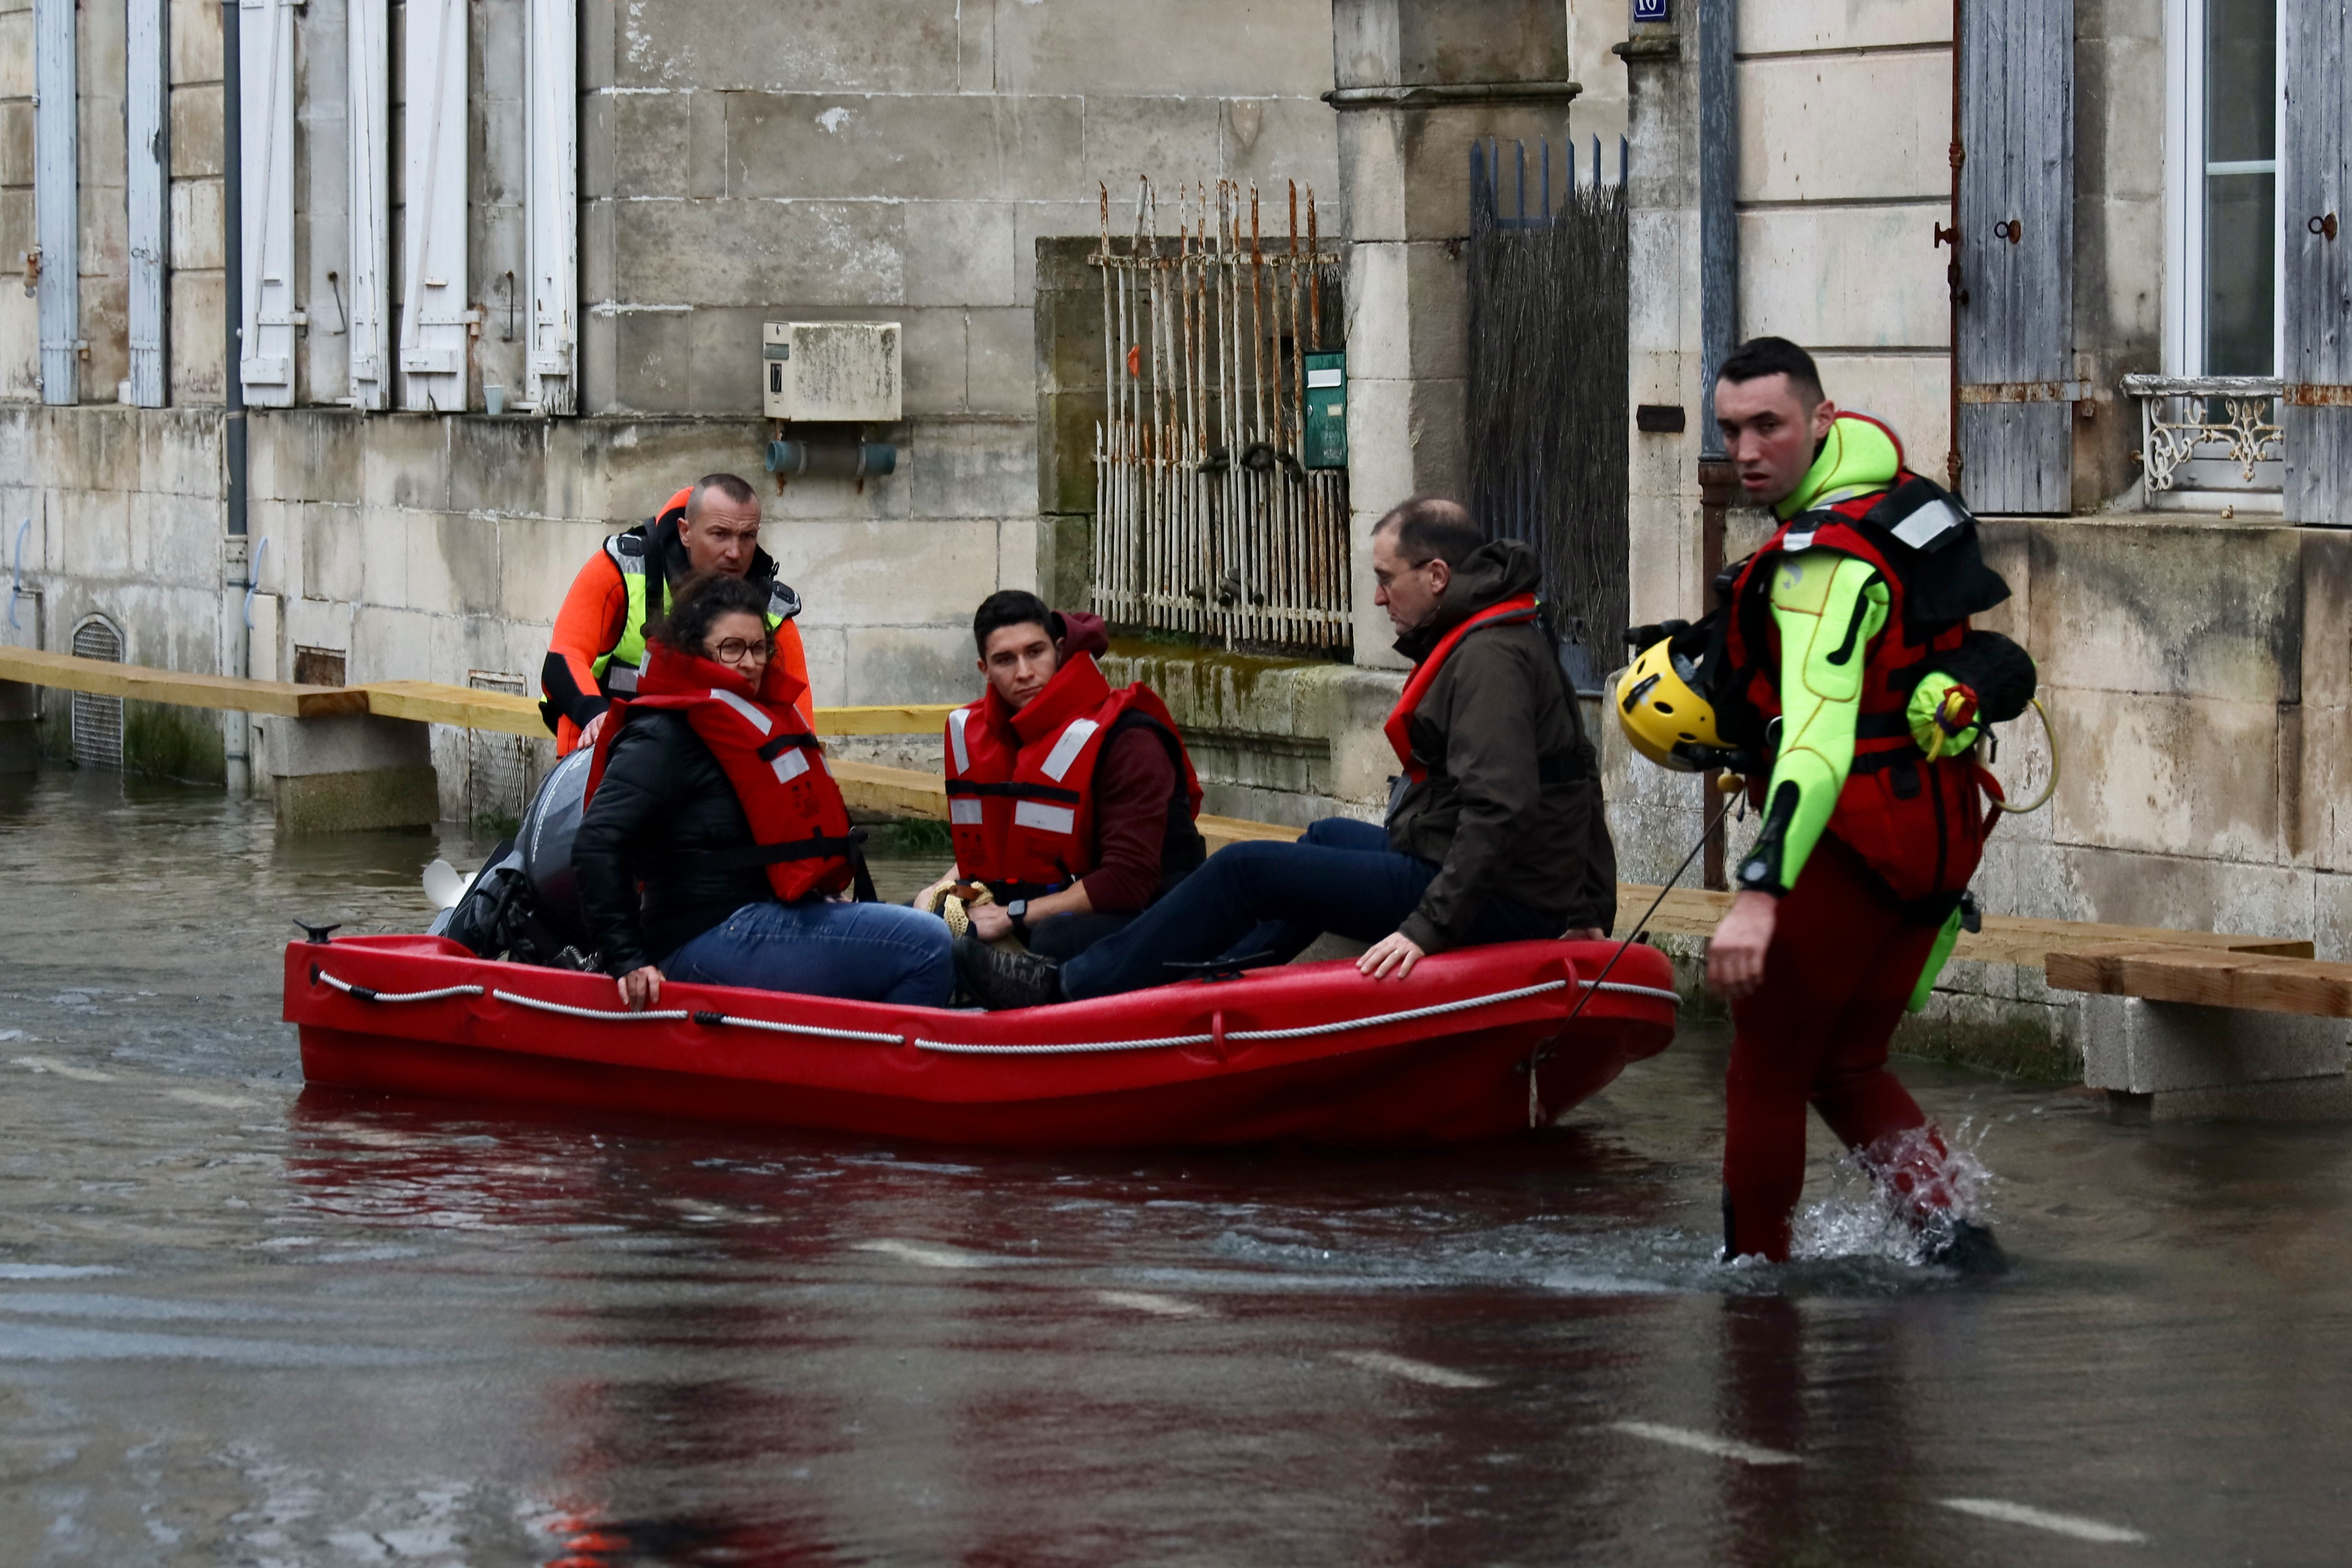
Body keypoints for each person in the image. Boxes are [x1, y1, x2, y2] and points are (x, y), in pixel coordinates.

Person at [952, 497, 1617, 1009]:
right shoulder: (1506, 629)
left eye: (1387, 579)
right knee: (1321, 837)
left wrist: (1426, 929)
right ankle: (1220, 982)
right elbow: (1575, 771)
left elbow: (1500, 807)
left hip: (1493, 895)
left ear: (1437, 575)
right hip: (1496, 876)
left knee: (1246, 869)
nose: (1379, 596)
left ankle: (1068, 988)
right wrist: (1588, 910)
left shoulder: (1489, 658)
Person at [1685, 335, 2017, 1270]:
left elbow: (1817, 744)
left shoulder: (1819, 567)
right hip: (1936, 832)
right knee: (1846, 1063)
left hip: (1848, 843)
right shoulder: (1896, 494)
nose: (1746, 451)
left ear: (1819, 420)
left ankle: (1753, 1288)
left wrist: (1758, 889)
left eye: (1768, 426)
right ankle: (1963, 1251)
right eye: (1730, 430)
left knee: (1765, 1072)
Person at [571, 572, 952, 1010]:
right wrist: (627, 959)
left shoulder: (753, 718)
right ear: (692, 650)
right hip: (700, 935)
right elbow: (596, 843)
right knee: (925, 945)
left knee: (924, 923)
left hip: (765, 917)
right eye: (731, 649)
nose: (750, 663)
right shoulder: (663, 735)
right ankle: (886, 1073)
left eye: (758, 648)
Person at [941, 592, 1207, 961]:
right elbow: (994, 850)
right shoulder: (994, 736)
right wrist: (941, 890)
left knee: (1055, 939)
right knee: (918, 922)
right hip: (1040, 909)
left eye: (1035, 652)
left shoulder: (1128, 738)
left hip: (1155, 913)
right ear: (984, 669)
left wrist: (1010, 917)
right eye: (1005, 660)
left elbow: (1127, 883)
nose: (1024, 672)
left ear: (1060, 651)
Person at [541, 474, 813, 756]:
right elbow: (562, 660)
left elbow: (801, 723)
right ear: (685, 532)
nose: (735, 552)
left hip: (713, 760)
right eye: (719, 534)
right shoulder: (624, 569)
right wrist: (595, 716)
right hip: (601, 749)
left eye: (747, 537)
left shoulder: (772, 609)